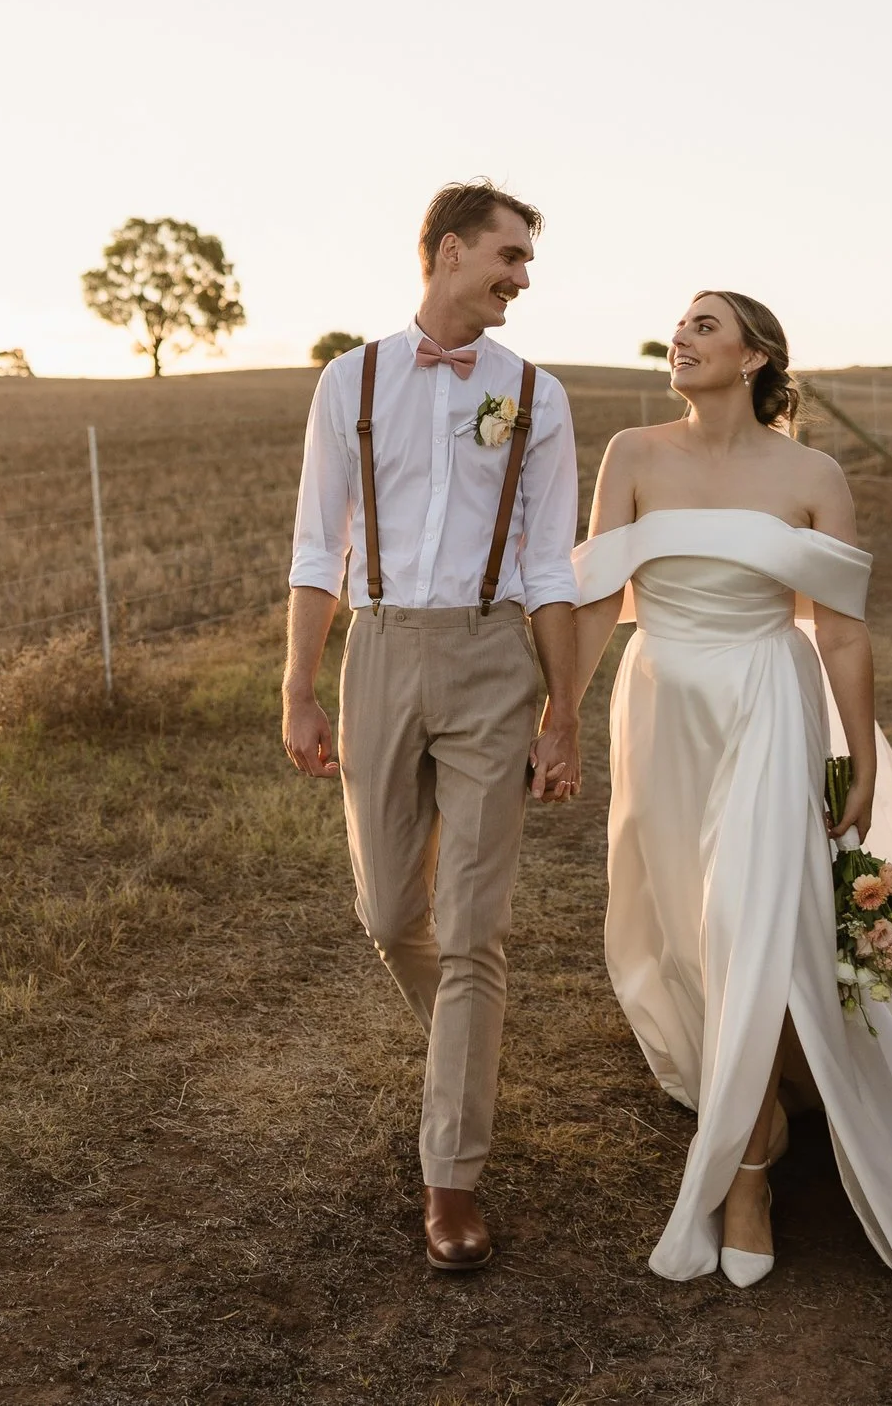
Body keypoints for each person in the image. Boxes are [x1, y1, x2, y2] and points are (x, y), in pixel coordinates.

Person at [558, 291, 892, 1296]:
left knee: (755, 914)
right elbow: (600, 596)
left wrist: (856, 756)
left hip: (770, 703)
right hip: (658, 710)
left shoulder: (812, 472)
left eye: (702, 324)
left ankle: (747, 1171)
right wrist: (556, 710)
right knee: (685, 920)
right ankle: (749, 1083)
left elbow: (843, 628)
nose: (680, 338)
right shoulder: (630, 453)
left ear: (755, 355)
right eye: (677, 326)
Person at [280, 180, 584, 1271]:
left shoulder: (535, 395)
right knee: (385, 907)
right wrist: (299, 687)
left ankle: (449, 1176)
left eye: (525, 262)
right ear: (447, 252)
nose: (520, 277)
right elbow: (319, 544)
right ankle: (472, 1044)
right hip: (378, 650)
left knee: (471, 928)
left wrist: (564, 709)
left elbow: (553, 562)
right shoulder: (347, 379)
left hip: (495, 654)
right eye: (507, 256)